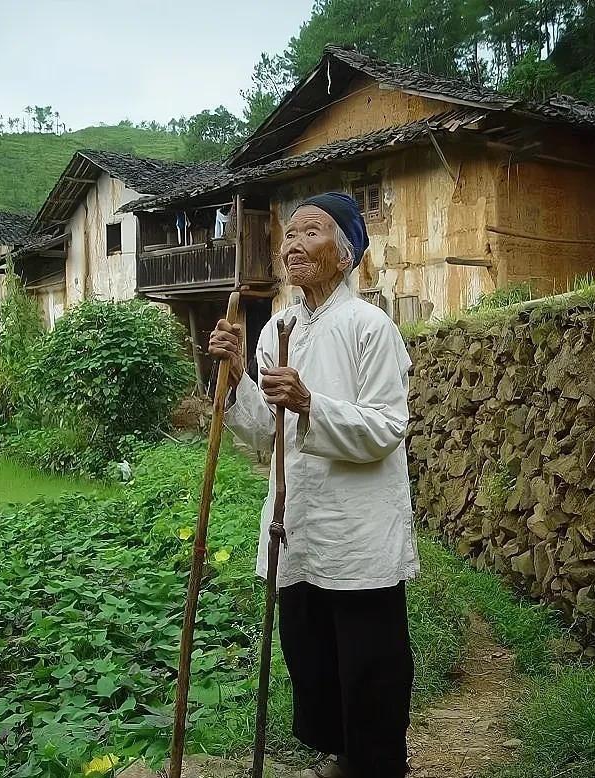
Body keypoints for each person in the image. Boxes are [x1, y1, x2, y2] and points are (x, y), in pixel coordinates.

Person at [208, 192, 419, 778]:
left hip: (358, 531)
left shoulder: (369, 326)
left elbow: (386, 427)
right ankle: (343, 756)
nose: (293, 242)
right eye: (290, 233)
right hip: (296, 521)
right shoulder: (278, 328)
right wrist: (234, 381)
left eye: (311, 231)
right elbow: (260, 437)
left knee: (368, 664)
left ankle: (375, 765)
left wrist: (310, 404)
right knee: (313, 657)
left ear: (344, 252)